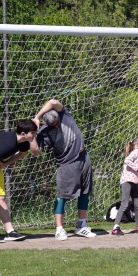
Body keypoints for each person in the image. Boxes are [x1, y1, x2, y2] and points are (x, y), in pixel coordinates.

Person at [31, 99, 96, 240]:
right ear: (47, 124)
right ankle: (59, 229)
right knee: (62, 195)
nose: (56, 126)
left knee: (85, 192)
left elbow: (53, 101)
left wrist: (37, 116)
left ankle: (81, 225)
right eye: (52, 125)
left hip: (83, 157)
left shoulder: (64, 114)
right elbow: (35, 152)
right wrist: (33, 136)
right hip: (66, 164)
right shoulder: (43, 132)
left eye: (56, 123)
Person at [112, 138, 138, 235]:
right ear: (137, 146)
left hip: (134, 182)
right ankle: (116, 227)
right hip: (127, 181)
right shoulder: (136, 152)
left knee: (137, 204)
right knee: (125, 203)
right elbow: (127, 161)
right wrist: (137, 168)